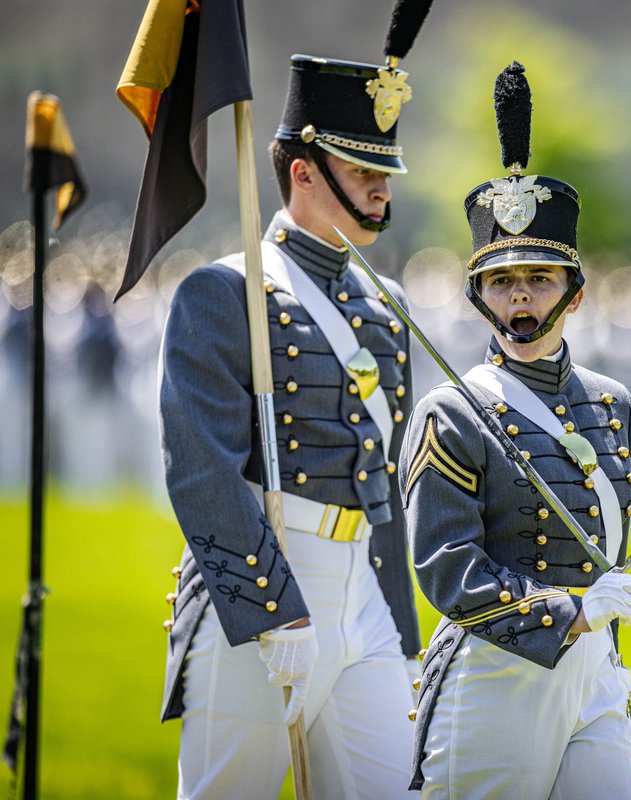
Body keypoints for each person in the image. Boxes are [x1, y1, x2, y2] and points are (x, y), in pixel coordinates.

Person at [158, 53, 423, 799]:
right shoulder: (226, 291)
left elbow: (385, 487)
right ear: (303, 172)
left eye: (385, 171)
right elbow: (201, 468)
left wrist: (403, 636)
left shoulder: (387, 305)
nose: (380, 186)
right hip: (263, 589)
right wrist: (273, 613)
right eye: (361, 168)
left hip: (362, 595)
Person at [402, 62, 631, 799]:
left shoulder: (614, 405)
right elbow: (448, 568)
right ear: (480, 293)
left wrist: (602, 618)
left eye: (540, 278)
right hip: (494, 674)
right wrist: (572, 612)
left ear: (572, 294)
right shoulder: (450, 409)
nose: (521, 293)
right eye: (502, 280)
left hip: (595, 673)